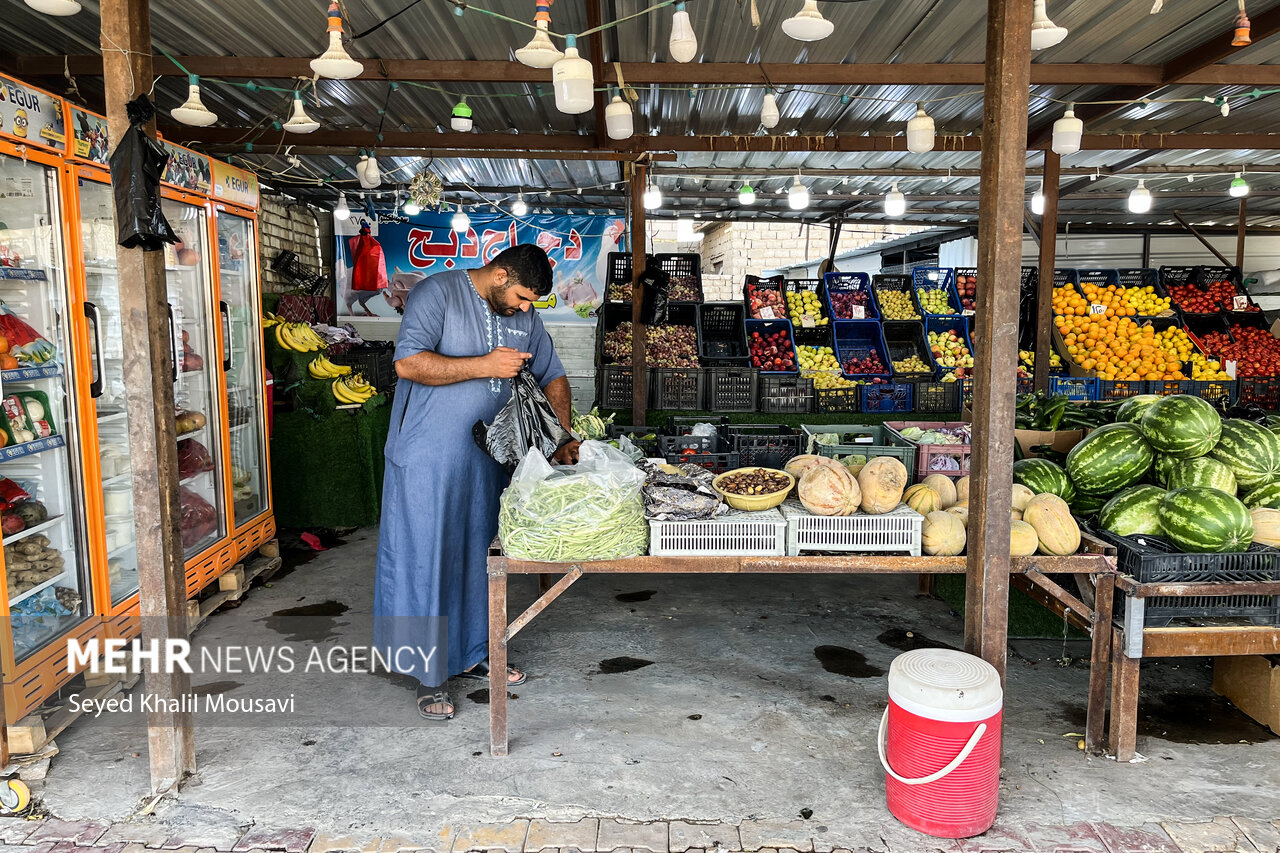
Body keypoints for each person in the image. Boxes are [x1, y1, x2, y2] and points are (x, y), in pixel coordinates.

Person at [373, 243, 580, 721]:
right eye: (523, 297)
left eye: (531, 303)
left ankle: (475, 653)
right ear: (500, 274)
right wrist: (485, 364)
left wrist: (562, 437)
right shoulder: (437, 293)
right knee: (430, 560)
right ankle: (429, 675)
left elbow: (553, 375)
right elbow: (409, 363)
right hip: (430, 458)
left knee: (482, 559)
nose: (526, 309)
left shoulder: (525, 317)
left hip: (490, 459)